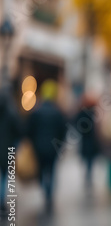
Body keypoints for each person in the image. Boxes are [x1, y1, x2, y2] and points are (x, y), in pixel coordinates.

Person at [27, 80, 66, 211]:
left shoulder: (36, 111)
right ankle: (49, 192)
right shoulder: (57, 112)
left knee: (42, 169)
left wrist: (32, 143)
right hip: (53, 147)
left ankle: (45, 188)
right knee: (52, 169)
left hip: (39, 146)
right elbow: (63, 130)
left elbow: (29, 130)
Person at [0, 88, 21, 212]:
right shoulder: (12, 113)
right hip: (7, 149)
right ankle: (1, 201)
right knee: (4, 176)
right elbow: (19, 131)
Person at [74, 94, 100, 186]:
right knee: (90, 161)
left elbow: (76, 124)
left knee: (87, 160)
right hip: (92, 141)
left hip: (85, 141)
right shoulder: (94, 113)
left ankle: (88, 175)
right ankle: (88, 176)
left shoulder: (81, 113)